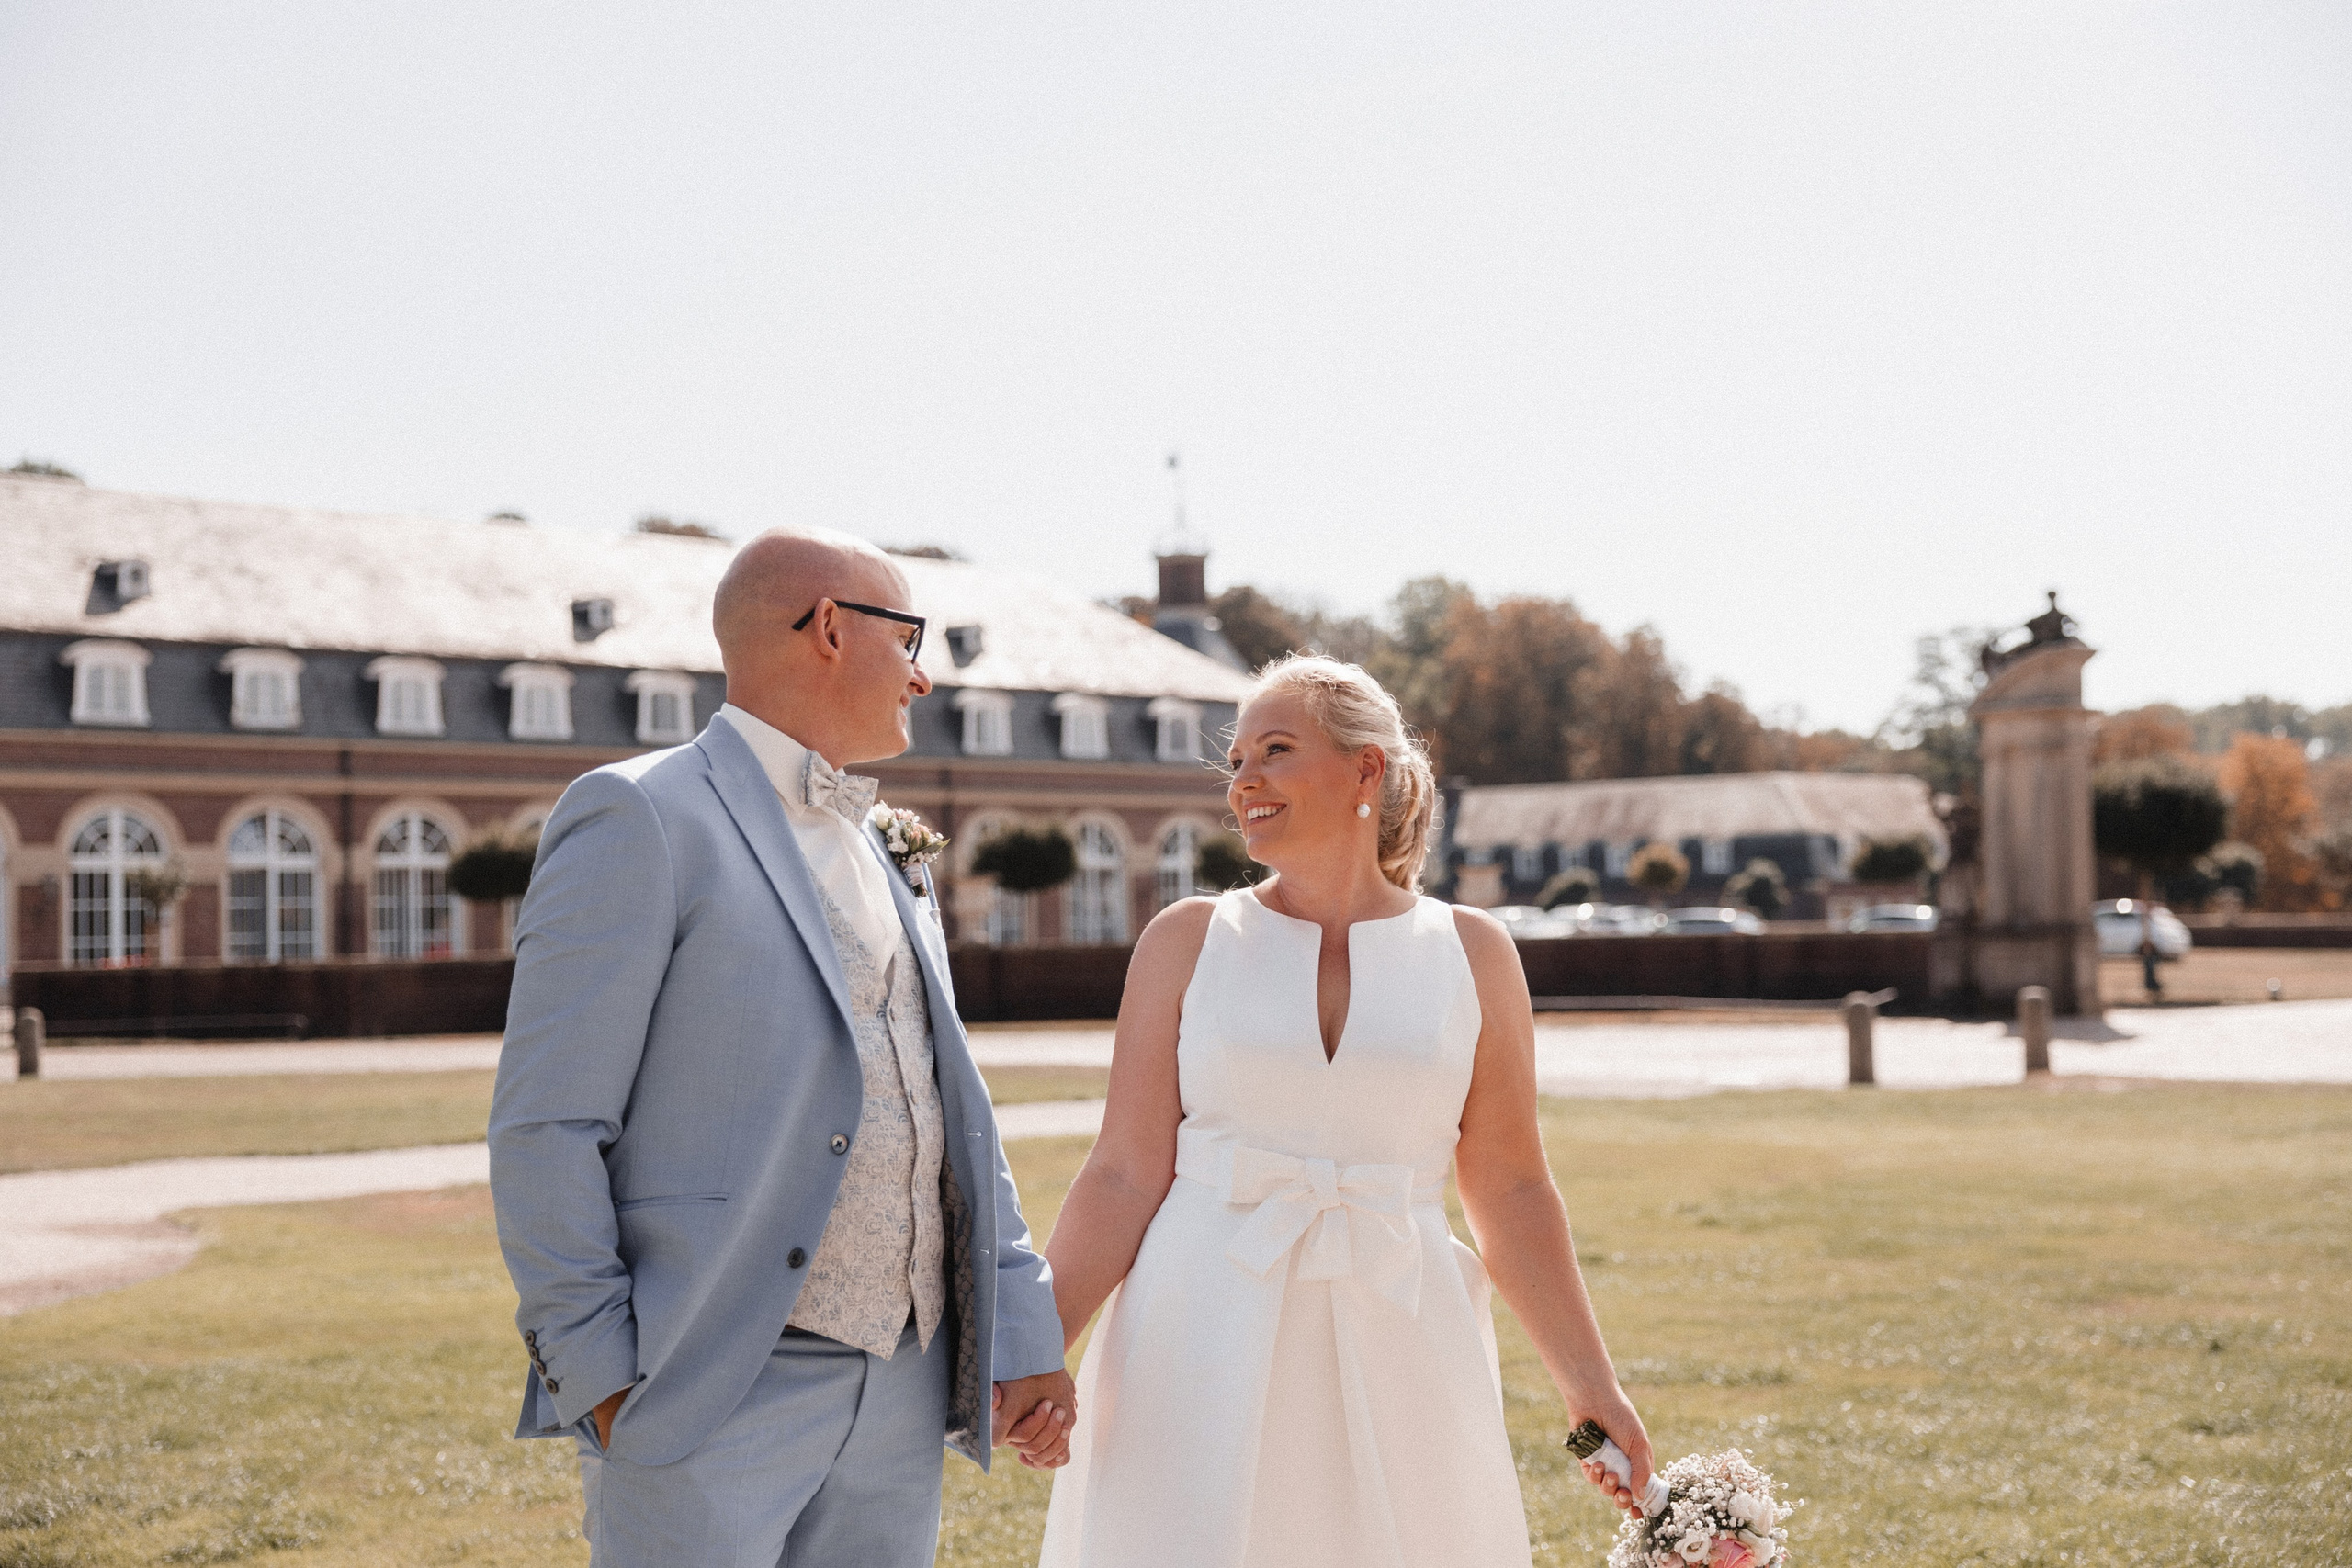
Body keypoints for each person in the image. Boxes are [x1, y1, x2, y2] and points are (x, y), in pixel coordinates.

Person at [489, 528, 1075, 1567]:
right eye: (908, 639)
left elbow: (947, 1109)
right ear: (831, 628)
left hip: (902, 1382)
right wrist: (600, 1375)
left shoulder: (891, 846)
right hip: (702, 1384)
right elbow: (547, 1122)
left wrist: (1021, 1329)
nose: (924, 676)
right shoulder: (639, 814)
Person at [1037, 654, 1652, 1568]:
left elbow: (1512, 1187)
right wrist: (1034, 1348)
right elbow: (1123, 1172)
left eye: (1276, 751)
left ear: (1366, 769)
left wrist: (1591, 1387)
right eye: (1237, 759)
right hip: (1195, 1324)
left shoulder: (1473, 952)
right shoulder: (1186, 940)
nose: (1244, 780)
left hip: (1403, 1322)